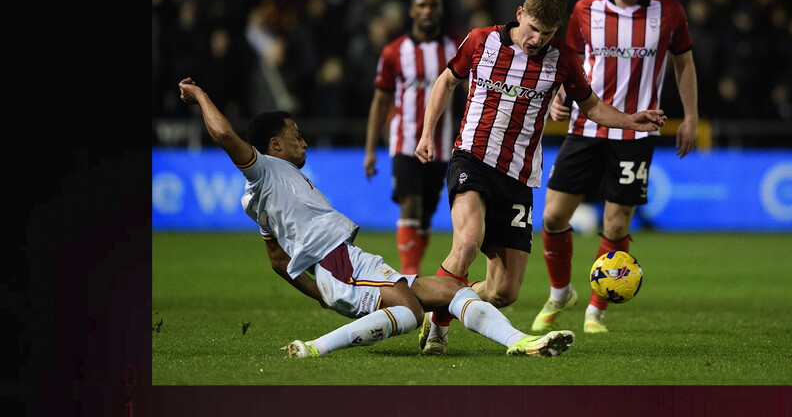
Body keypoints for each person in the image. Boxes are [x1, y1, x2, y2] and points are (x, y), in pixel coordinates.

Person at [176, 77, 576, 358]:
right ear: (274, 145)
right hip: (338, 264)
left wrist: (322, 296)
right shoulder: (263, 169)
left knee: (449, 292)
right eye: (296, 135)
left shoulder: (265, 197)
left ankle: (520, 341)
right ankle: (317, 348)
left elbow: (279, 262)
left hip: (345, 265)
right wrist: (199, 95)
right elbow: (226, 136)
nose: (305, 141)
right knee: (410, 312)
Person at [414, 0, 667, 355]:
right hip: (473, 158)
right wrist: (427, 134)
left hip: (517, 177)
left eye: (546, 33)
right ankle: (438, 330)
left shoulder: (564, 60)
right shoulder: (482, 41)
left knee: (503, 292)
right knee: (467, 242)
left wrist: (632, 120)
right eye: (532, 28)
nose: (536, 39)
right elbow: (446, 82)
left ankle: (435, 300)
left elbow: (593, 106)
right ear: (520, 15)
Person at [531, 0, 698, 335]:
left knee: (617, 224)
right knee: (553, 215)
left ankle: (596, 310)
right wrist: (556, 95)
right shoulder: (586, 11)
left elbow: (684, 65)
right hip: (586, 126)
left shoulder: (668, 12)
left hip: (636, 134)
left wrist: (691, 115)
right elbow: (566, 60)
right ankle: (560, 292)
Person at [363, 0, 459, 275]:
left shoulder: (454, 50)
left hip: (440, 144)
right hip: (404, 142)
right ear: (412, 12)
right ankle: (410, 273)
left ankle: (412, 269)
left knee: (426, 213)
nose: (427, 11)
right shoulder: (395, 52)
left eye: (433, 5)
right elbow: (380, 101)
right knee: (410, 204)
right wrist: (369, 149)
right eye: (422, 6)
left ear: (439, 11)